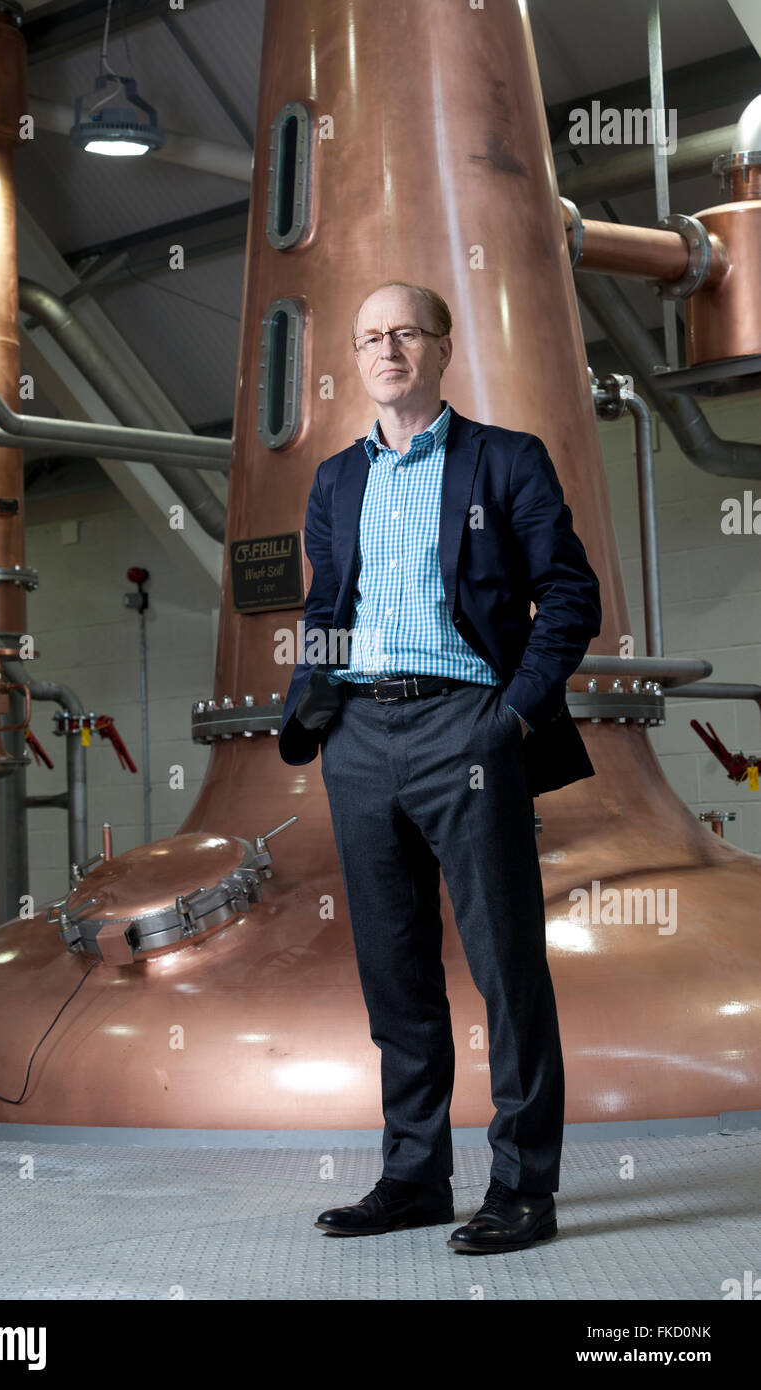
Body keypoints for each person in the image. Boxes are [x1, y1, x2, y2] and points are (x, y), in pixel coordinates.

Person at [278, 281, 602, 1254]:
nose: (387, 349)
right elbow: (323, 609)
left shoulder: (503, 460)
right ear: (356, 353)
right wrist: (318, 713)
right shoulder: (335, 480)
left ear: (440, 347)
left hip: (465, 724)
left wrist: (506, 716)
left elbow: (567, 593)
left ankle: (521, 1188)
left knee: (505, 962)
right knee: (392, 968)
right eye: (370, 336)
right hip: (360, 739)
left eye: (405, 332)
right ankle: (414, 1175)